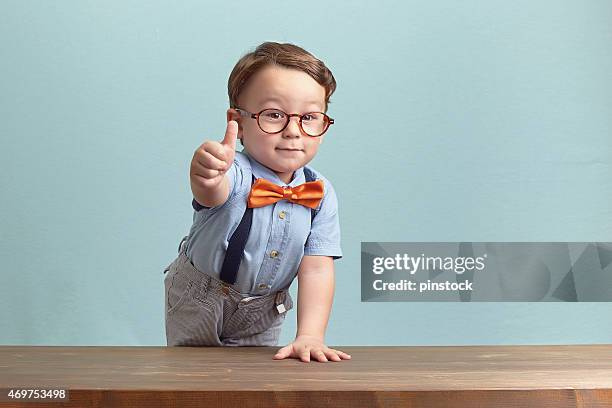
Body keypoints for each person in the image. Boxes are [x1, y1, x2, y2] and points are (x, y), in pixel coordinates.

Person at [164, 42, 351, 363]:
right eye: (274, 115)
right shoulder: (232, 171)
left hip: (264, 306)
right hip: (200, 296)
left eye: (309, 117)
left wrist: (310, 335)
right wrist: (206, 174)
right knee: (192, 376)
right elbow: (212, 190)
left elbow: (317, 269)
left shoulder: (320, 192)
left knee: (255, 380)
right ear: (237, 122)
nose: (293, 131)